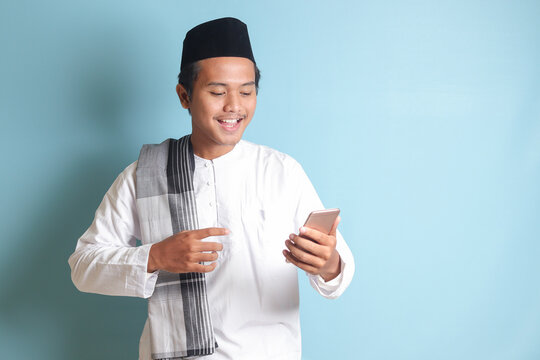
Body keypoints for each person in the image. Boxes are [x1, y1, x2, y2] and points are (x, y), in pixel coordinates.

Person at [69, 17, 354, 360]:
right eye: (218, 92)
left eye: (246, 91)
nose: (234, 105)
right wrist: (156, 256)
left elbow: (339, 273)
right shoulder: (142, 174)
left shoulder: (282, 172)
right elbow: (83, 267)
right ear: (184, 96)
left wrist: (327, 263)